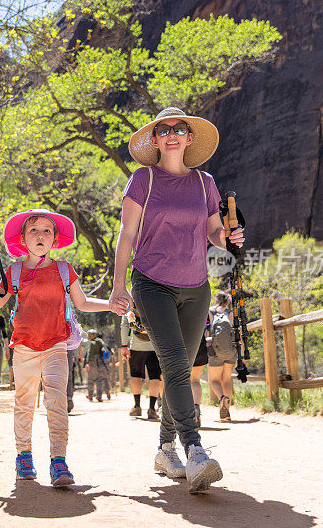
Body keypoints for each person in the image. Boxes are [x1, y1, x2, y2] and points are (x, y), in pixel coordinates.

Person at [109, 107, 244, 493]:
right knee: (174, 362)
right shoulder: (142, 181)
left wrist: (228, 240)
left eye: (179, 129)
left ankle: (165, 448)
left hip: (196, 286)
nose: (171, 134)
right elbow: (126, 237)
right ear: (154, 140)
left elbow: (215, 231)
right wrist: (119, 286)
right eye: (163, 129)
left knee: (180, 368)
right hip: (151, 283)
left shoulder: (205, 183)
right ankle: (195, 449)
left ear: (189, 138)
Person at [0, 209, 116, 487]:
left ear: (55, 239)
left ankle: (58, 461)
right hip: (23, 348)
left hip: (56, 345)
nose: (40, 235)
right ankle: (24, 457)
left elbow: (82, 303)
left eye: (46, 231)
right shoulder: (14, 271)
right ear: (22, 239)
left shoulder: (64, 270)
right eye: (33, 230)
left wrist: (110, 304)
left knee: (57, 404)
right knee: (24, 404)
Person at [121, 311, 161, 419]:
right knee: (155, 377)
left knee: (136, 376)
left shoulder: (132, 302)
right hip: (156, 346)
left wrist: (124, 345)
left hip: (136, 346)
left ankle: (137, 407)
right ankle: (152, 409)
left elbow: (125, 324)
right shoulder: (157, 298)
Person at [208, 291, 238, 422]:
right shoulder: (230, 313)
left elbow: (206, 330)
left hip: (215, 351)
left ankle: (221, 398)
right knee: (226, 381)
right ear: (227, 301)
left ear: (216, 299)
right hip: (231, 351)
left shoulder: (210, 311)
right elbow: (237, 332)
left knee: (214, 380)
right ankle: (227, 412)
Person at [190, 326, 210, 427]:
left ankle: (184, 414)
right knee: (195, 380)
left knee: (181, 381)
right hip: (199, 346)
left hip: (182, 346)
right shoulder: (201, 309)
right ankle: (196, 407)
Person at [84, 329, 110, 402]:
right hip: (101, 363)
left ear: (94, 335)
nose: (89, 336)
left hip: (93, 363)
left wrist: (87, 363)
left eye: (90, 334)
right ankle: (99, 396)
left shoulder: (92, 343)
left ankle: (90, 396)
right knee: (99, 380)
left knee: (91, 380)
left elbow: (89, 354)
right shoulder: (101, 342)